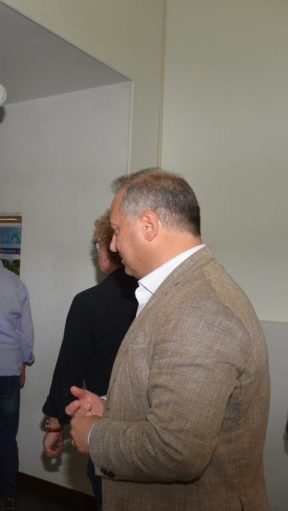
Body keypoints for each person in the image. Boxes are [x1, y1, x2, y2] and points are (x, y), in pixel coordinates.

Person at [66, 168, 270, 510]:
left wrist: (94, 435)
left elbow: (176, 450)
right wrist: (110, 408)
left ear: (149, 225)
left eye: (117, 231)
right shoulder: (182, 291)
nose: (113, 245)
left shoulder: (200, 308)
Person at [41, 211, 137, 509]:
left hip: (104, 427)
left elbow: (68, 370)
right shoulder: (155, 298)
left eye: (98, 247)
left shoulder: (89, 302)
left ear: (110, 249)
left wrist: (55, 425)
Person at [0, 231, 34, 511]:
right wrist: (23, 363)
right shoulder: (17, 284)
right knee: (6, 437)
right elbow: (26, 334)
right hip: (8, 369)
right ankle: (7, 495)